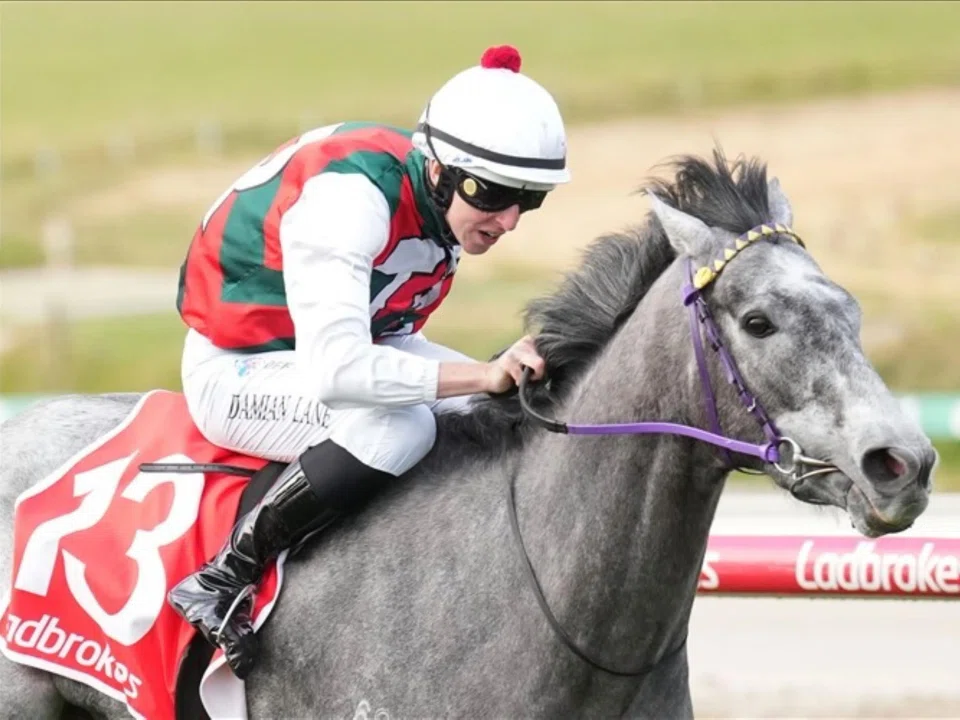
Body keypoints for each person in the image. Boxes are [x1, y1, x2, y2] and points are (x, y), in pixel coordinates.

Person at [167, 44, 570, 679]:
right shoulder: (349, 202)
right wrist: (480, 371)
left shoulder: (438, 200)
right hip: (240, 367)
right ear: (438, 171)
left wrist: (494, 383)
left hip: (344, 346)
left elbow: (382, 347)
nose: (511, 220)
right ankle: (225, 576)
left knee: (500, 409)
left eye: (530, 198)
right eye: (494, 194)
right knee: (400, 426)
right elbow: (340, 372)